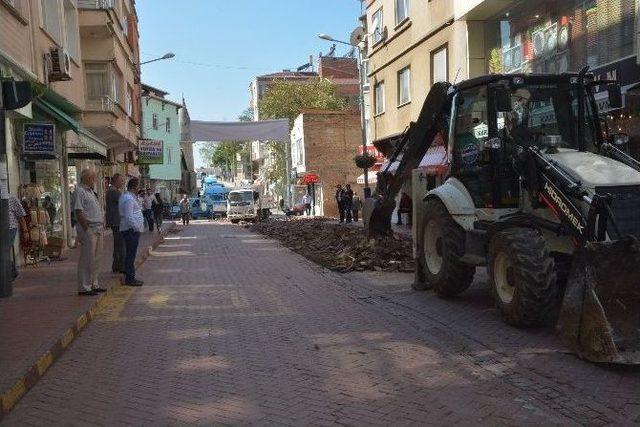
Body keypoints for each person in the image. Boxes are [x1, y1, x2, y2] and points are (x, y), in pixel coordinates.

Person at [74, 169, 106, 296]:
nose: (95, 181)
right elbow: (78, 211)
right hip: (89, 228)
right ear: (88, 179)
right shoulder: (79, 191)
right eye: (94, 178)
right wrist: (86, 228)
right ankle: (84, 286)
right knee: (87, 258)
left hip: (98, 228)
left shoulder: (91, 192)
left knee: (97, 258)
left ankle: (94, 283)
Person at [119, 177, 145, 287]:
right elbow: (129, 216)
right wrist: (136, 228)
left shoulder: (130, 197)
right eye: (138, 186)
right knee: (130, 255)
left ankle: (130, 276)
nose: (139, 188)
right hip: (130, 231)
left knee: (130, 254)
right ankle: (130, 278)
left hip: (131, 230)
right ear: (134, 187)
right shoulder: (128, 199)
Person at [105, 173, 125, 273]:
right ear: (116, 181)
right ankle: (119, 266)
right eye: (121, 180)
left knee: (119, 244)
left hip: (117, 221)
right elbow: (124, 201)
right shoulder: (113, 192)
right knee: (120, 245)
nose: (122, 183)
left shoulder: (115, 191)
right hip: (116, 222)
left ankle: (117, 265)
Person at [7, 193, 27, 279]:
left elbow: (21, 216)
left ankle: (12, 272)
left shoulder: (11, 198)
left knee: (3, 250)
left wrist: (25, 230)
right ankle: (12, 272)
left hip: (10, 228)